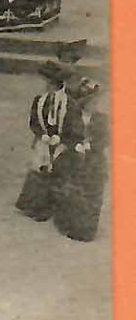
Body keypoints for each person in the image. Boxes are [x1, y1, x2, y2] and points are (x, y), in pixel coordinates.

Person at [52, 76, 107, 242]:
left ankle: (86, 229)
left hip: (94, 160)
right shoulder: (71, 117)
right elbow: (65, 135)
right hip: (74, 156)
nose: (94, 105)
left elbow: (106, 139)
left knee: (92, 192)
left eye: (95, 102)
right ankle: (68, 224)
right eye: (90, 102)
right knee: (70, 189)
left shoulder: (102, 119)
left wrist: (92, 146)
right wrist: (74, 144)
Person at [18, 60, 73, 221]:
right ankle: (34, 205)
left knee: (56, 172)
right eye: (47, 82)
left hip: (61, 143)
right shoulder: (39, 100)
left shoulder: (68, 103)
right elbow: (34, 121)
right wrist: (41, 134)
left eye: (50, 83)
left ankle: (51, 206)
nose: (47, 86)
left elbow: (71, 123)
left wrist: (61, 138)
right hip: (44, 140)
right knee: (38, 171)